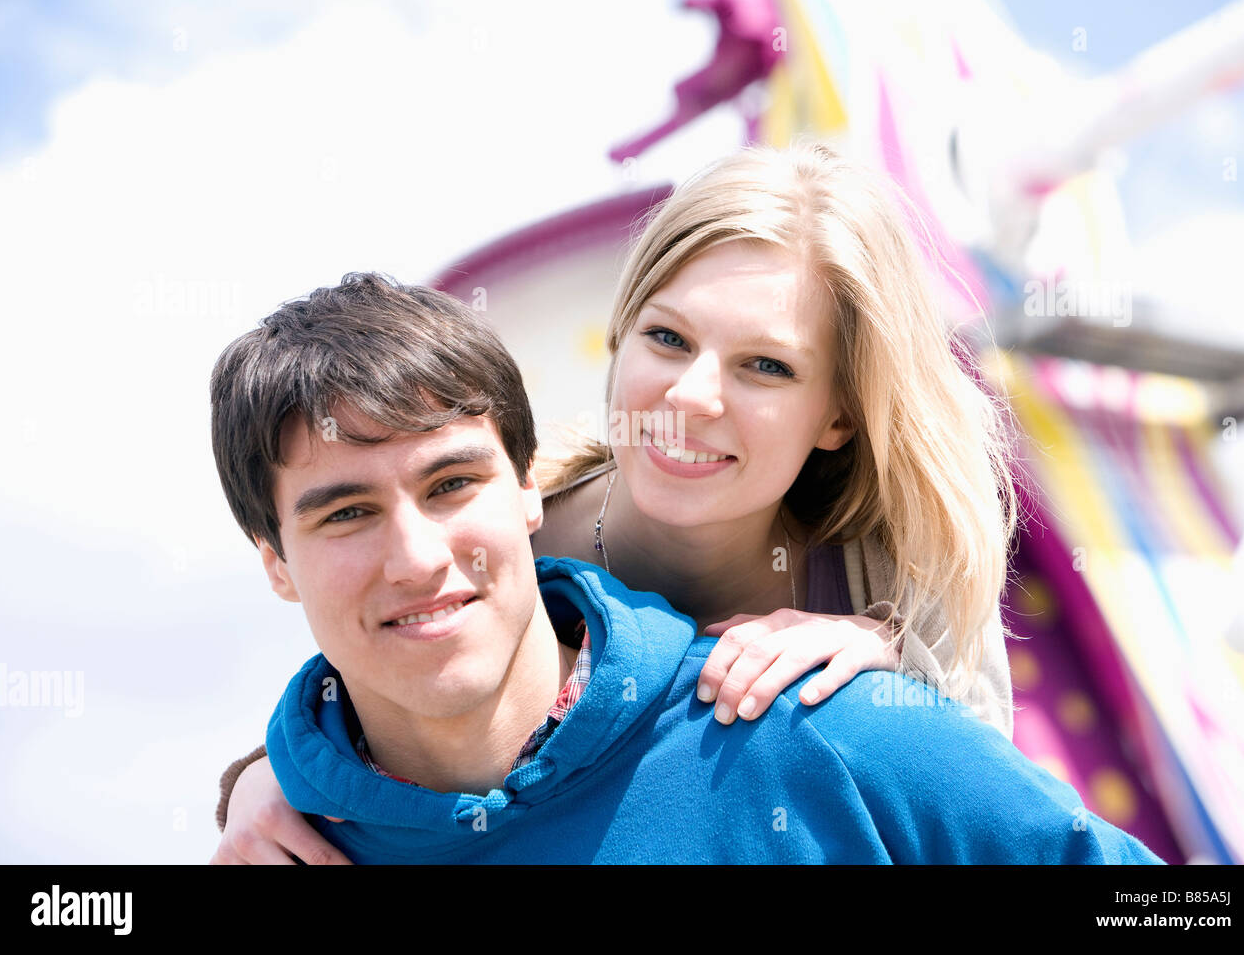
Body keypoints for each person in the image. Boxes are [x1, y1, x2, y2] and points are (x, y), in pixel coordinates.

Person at [213, 143, 1020, 862]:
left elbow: (983, 824)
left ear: (841, 413)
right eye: (667, 338)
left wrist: (893, 673)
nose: (691, 396)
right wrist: (261, 780)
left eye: (767, 366)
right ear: (619, 335)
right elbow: (384, 678)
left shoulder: (903, 571)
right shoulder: (503, 532)